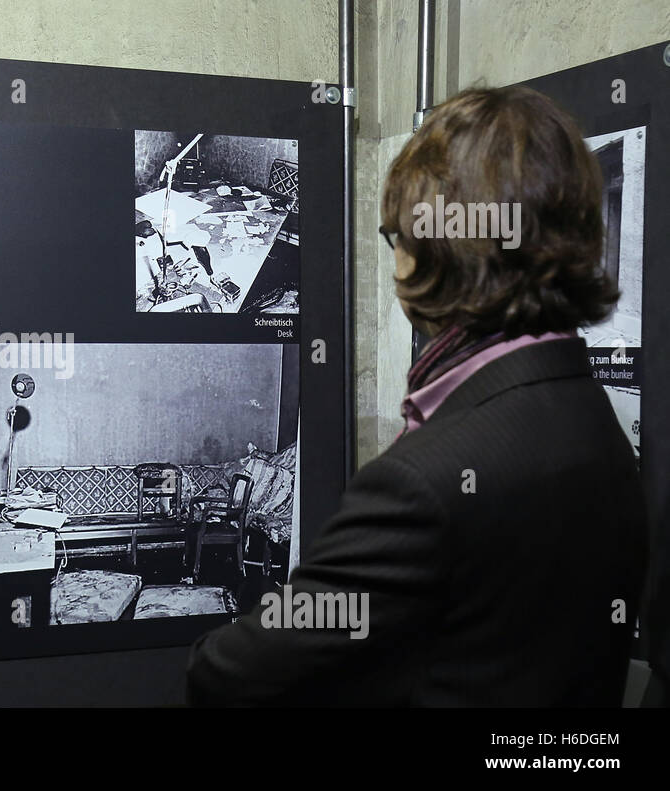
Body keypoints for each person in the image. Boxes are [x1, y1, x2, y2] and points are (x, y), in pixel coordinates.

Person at [187, 86, 647, 706]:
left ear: (442, 248)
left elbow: (232, 673)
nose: (398, 261)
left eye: (396, 237)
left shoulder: (425, 481)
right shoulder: (593, 418)